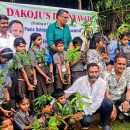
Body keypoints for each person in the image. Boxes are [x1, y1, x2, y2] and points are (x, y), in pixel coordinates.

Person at [65, 63, 113, 130]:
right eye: (91, 72)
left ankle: (103, 124)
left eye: (96, 72)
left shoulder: (102, 83)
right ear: (87, 72)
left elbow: (98, 101)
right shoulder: (80, 81)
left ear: (99, 72)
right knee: (86, 121)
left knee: (108, 102)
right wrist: (55, 100)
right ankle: (84, 123)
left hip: (95, 107)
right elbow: (69, 92)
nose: (94, 74)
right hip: (83, 107)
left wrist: (83, 113)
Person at [103, 53, 130, 121]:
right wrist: (113, 108)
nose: (122, 66)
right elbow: (106, 93)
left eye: (124, 64)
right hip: (110, 99)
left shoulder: (127, 72)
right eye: (119, 64)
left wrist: (127, 101)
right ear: (114, 64)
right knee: (110, 116)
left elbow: (129, 89)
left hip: (121, 97)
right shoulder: (106, 74)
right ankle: (118, 110)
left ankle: (122, 110)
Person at [0, 48, 14, 117]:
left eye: (8, 60)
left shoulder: (7, 63)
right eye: (6, 60)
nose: (6, 62)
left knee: (7, 96)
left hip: (4, 84)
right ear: (1, 57)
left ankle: (7, 108)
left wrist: (9, 81)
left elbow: (8, 73)